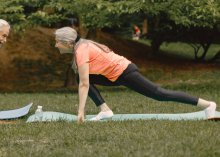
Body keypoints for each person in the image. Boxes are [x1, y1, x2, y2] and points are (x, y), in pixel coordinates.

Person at [54, 27, 217, 122]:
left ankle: (208, 105)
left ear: (68, 43)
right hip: (114, 75)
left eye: (57, 41)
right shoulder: (81, 47)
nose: (56, 45)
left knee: (159, 94)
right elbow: (84, 80)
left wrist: (81, 111)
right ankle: (105, 110)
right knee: (80, 77)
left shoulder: (81, 50)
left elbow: (84, 84)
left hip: (125, 72)